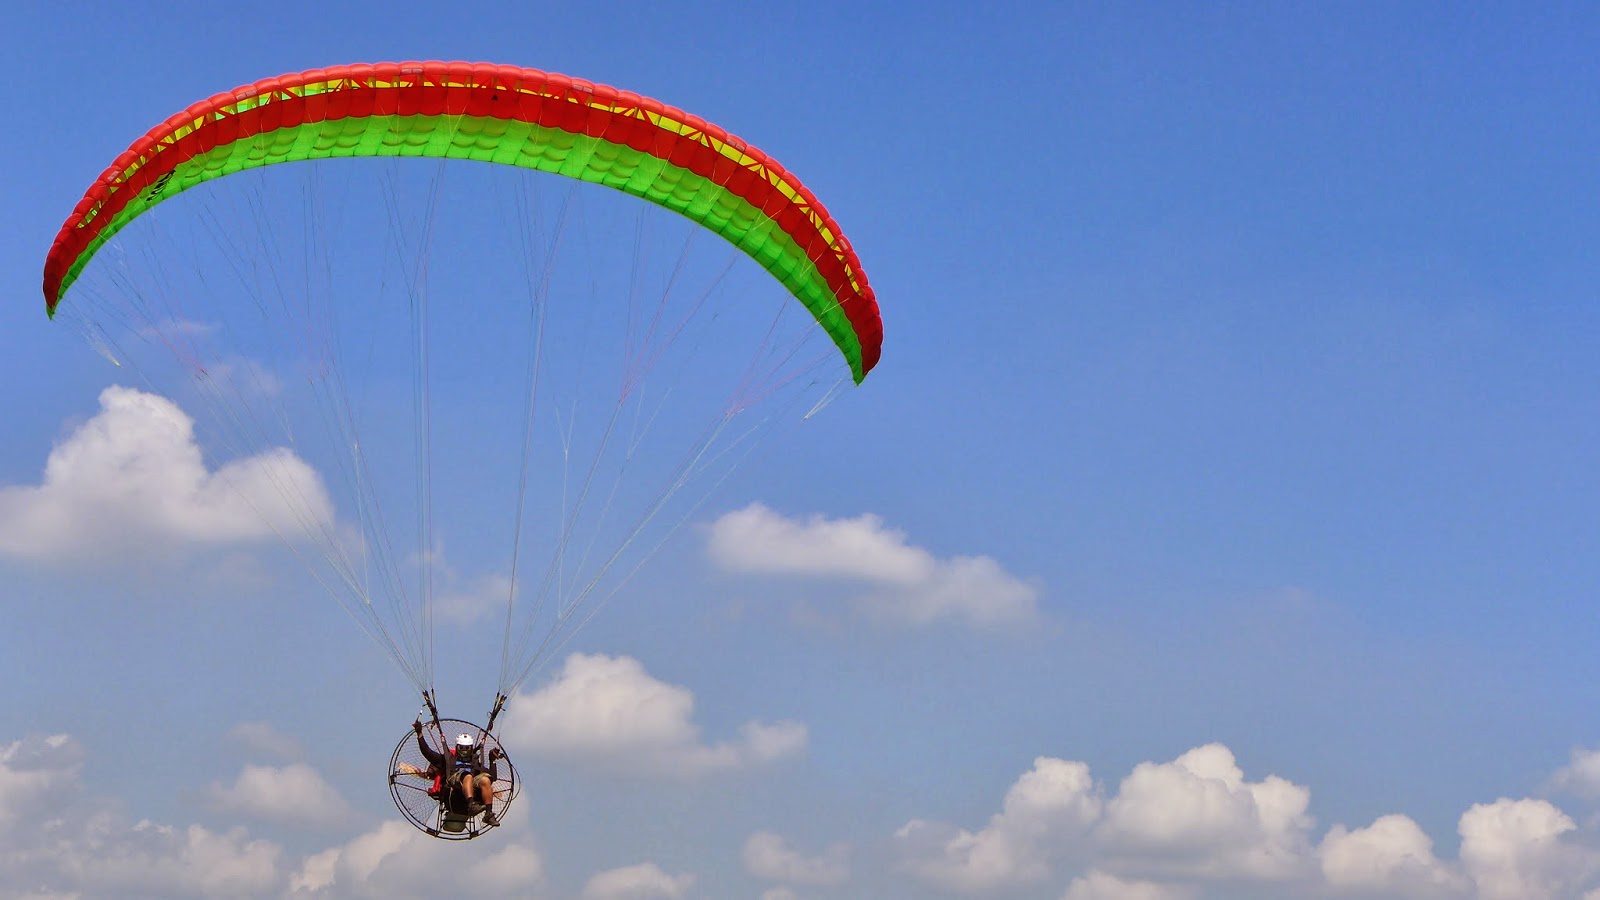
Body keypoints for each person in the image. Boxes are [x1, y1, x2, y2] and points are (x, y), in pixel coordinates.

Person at [412, 719, 503, 827]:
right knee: (467, 776)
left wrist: (492, 760)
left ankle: (488, 814)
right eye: (462, 748)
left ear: (471, 748)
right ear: (457, 747)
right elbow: (427, 752)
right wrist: (419, 733)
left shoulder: (475, 763)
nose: (464, 750)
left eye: (467, 748)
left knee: (485, 780)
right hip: (453, 785)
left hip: (470, 784)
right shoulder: (448, 760)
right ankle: (471, 805)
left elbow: (493, 777)